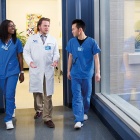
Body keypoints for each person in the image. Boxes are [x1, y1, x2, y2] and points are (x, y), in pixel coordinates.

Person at [23, 17, 59, 128]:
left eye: (48, 25)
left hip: (48, 69)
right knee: (37, 92)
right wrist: (30, 62)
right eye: (45, 25)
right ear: (39, 26)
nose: (47, 27)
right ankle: (39, 110)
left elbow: (56, 53)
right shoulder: (32, 39)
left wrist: (55, 60)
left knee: (48, 94)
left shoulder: (53, 40)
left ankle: (47, 117)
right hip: (36, 69)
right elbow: (26, 52)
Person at [66, 19, 101, 129]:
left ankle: (84, 112)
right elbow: (70, 56)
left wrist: (98, 72)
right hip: (75, 74)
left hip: (87, 75)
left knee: (86, 96)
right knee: (77, 97)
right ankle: (78, 120)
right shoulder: (72, 42)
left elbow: (96, 58)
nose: (72, 31)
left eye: (73, 29)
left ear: (80, 30)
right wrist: (68, 70)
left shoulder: (92, 42)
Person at [0, 19, 24, 130]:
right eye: (10, 26)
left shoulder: (16, 41)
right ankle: (12, 106)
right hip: (1, 71)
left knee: (9, 94)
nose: (13, 27)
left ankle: (8, 119)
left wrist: (22, 71)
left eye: (13, 26)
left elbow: (20, 57)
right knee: (5, 93)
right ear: (5, 28)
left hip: (13, 71)